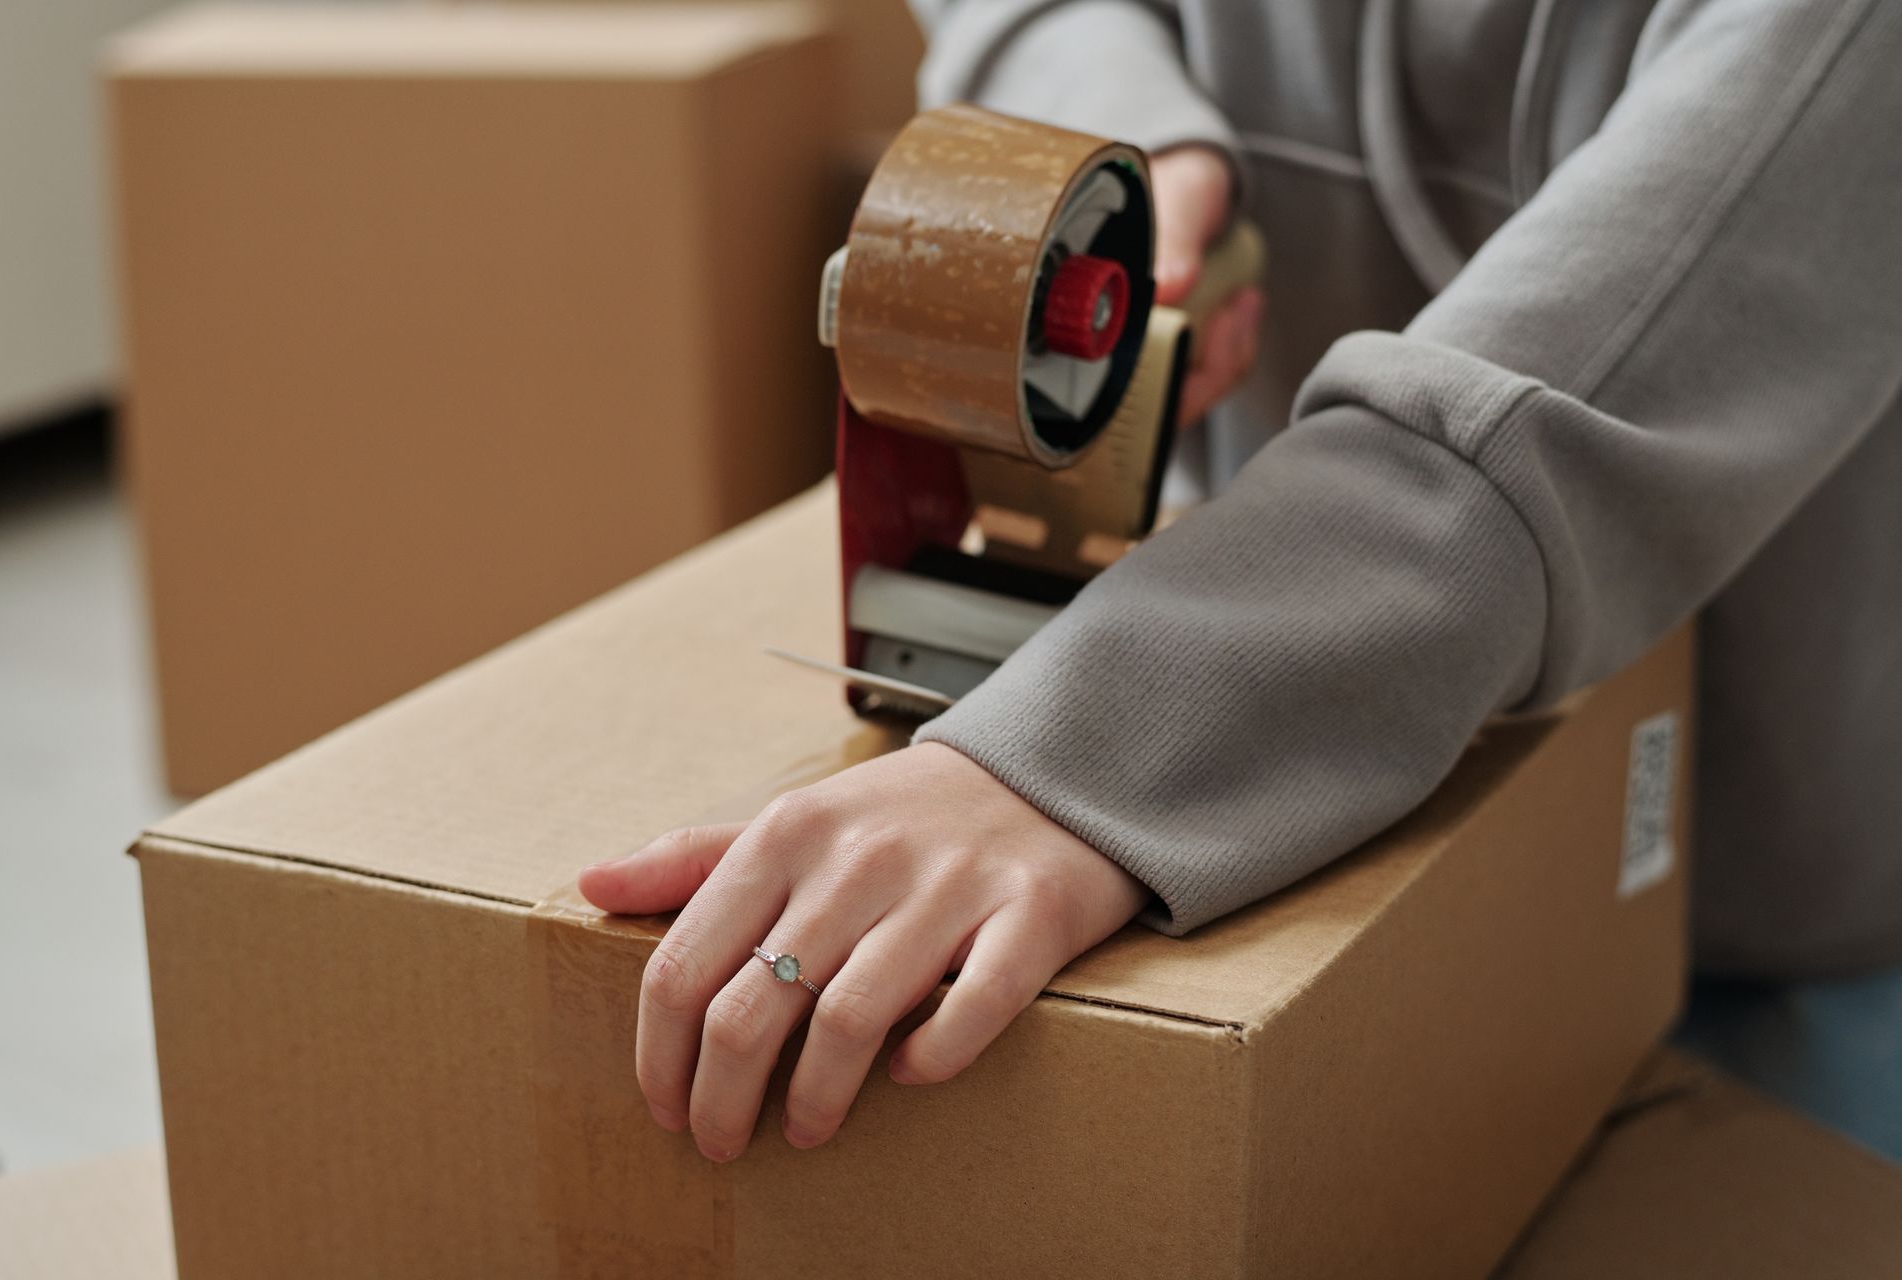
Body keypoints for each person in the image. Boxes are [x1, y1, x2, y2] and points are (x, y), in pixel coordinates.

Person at [579, 0, 1902, 1165]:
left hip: (1764, 881)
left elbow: (1616, 357)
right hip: (1323, 853)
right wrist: (1116, 147)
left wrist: (1099, 743)